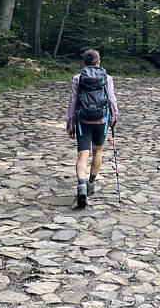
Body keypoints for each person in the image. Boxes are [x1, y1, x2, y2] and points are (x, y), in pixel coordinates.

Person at [66, 48, 118, 208]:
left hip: (83, 120)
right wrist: (114, 117)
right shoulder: (107, 78)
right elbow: (111, 99)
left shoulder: (78, 78)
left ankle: (81, 184)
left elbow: (73, 102)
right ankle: (90, 183)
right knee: (98, 151)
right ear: (99, 61)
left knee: (82, 155)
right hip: (101, 119)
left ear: (84, 63)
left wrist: (70, 122)